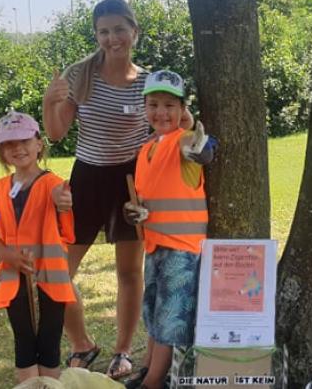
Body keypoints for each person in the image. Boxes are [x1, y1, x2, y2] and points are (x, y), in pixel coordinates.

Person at [42, 0, 176, 376]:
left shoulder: (149, 82)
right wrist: (48, 103)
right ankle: (82, 345)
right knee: (58, 272)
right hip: (87, 178)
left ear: (134, 31)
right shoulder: (79, 75)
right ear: (96, 35)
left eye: (119, 29)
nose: (112, 38)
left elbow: (166, 129)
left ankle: (122, 351)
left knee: (130, 271)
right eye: (103, 31)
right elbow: (54, 133)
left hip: (130, 182)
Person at [121, 70, 216, 389]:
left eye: (170, 105)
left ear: (182, 109)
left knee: (170, 319)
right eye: (154, 104)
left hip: (183, 249)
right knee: (154, 312)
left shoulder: (183, 141)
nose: (161, 112)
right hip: (155, 245)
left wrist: (193, 131)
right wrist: (133, 211)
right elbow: (146, 199)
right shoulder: (146, 150)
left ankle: (154, 382)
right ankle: (149, 369)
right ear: (144, 107)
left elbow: (202, 150)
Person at [0, 111, 76, 384]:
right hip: (14, 279)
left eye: (24, 140)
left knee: (49, 341)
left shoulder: (54, 185)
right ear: (1, 152)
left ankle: (50, 383)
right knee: (23, 341)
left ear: (39, 144)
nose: (18, 148)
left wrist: (63, 204)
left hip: (51, 278)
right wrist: (7, 255)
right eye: (9, 144)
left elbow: (67, 230)